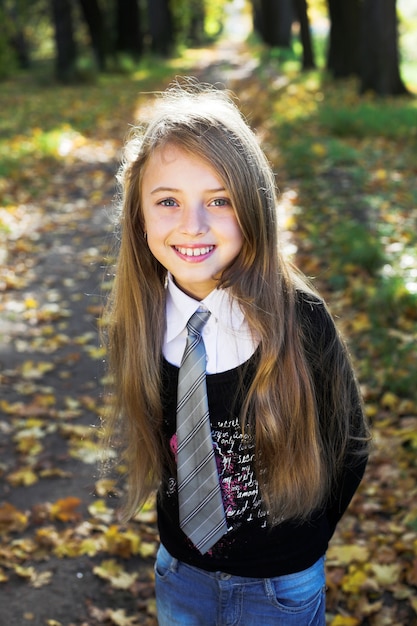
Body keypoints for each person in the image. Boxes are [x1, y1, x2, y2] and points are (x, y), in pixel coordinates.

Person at [102, 78, 369, 626]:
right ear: (139, 216)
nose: (192, 225)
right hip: (180, 575)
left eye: (218, 200)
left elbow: (350, 445)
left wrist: (301, 550)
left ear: (254, 205)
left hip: (282, 585)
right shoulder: (142, 322)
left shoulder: (300, 321)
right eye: (168, 201)